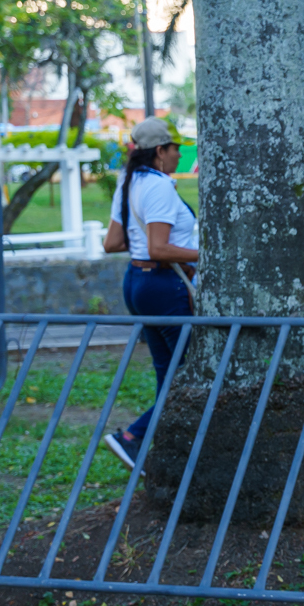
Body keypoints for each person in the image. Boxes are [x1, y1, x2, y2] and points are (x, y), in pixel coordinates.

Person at [101, 116, 197, 470]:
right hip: (162, 284)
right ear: (160, 151)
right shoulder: (158, 186)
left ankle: (157, 450)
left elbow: (111, 243)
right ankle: (133, 437)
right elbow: (159, 248)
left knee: (167, 372)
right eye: (175, 149)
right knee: (188, 373)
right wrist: (211, 254)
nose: (178, 155)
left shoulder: (128, 181)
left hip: (137, 282)